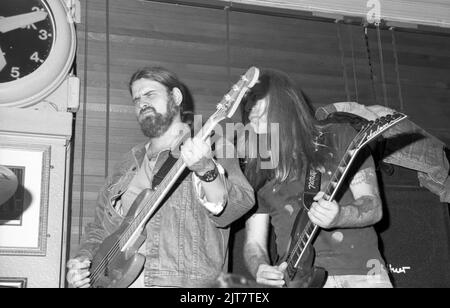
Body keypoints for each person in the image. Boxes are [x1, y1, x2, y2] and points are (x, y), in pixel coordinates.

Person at [67, 66, 255, 288]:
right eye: (136, 99)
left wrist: (206, 169)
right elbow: (99, 228)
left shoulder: (215, 147)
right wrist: (83, 261)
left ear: (175, 97)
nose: (142, 103)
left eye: (150, 94)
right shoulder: (127, 164)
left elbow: (235, 207)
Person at [241, 69, 392, 288]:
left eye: (257, 101)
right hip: (294, 281)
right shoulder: (257, 171)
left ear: (284, 102)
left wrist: (339, 216)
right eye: (248, 108)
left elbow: (373, 206)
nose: (250, 109)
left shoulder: (338, 136)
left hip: (360, 274)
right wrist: (260, 268)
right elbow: (254, 243)